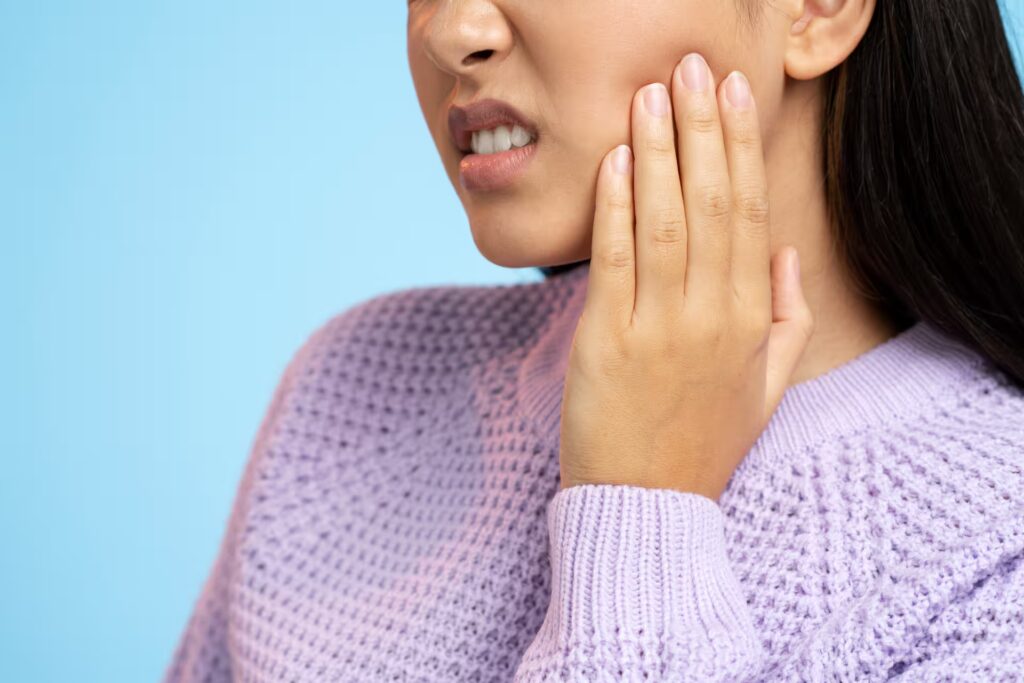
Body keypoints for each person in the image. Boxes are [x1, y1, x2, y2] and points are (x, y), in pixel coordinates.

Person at [164, 0, 1024, 680]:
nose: (450, 33)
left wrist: (640, 507)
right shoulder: (350, 398)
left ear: (817, 7)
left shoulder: (995, 551)